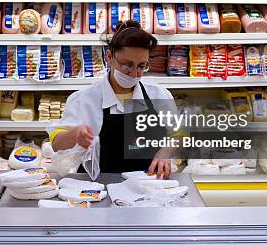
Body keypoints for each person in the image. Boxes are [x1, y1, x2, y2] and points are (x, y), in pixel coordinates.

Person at [47, 20, 181, 179]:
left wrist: (165, 152)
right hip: (97, 187)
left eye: (141, 66)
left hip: (147, 184)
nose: (134, 73)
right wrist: (75, 134)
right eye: (127, 65)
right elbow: (56, 144)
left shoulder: (158, 94)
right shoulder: (84, 99)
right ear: (109, 57)